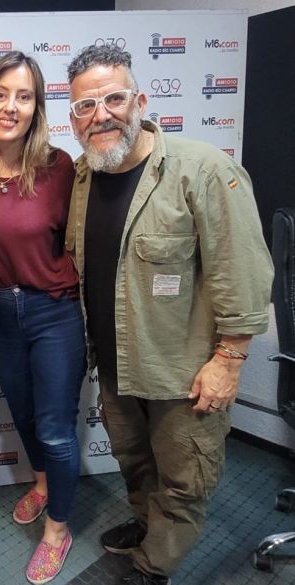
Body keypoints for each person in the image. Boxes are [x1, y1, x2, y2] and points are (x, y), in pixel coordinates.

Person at [65, 44, 273, 585]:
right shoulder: (85, 179)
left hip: (183, 376)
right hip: (116, 367)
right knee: (135, 464)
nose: (101, 115)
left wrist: (229, 359)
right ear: (73, 119)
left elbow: (242, 271)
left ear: (139, 100)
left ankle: (154, 569)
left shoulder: (202, 170)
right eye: (85, 106)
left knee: (184, 481)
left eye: (113, 99)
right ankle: (145, 523)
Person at [0, 51, 86, 584]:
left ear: (37, 108)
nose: (11, 106)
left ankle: (58, 529)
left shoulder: (60, 168)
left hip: (52, 312)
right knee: (26, 416)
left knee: (57, 429)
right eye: (1, 94)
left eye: (25, 96)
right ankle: (41, 484)